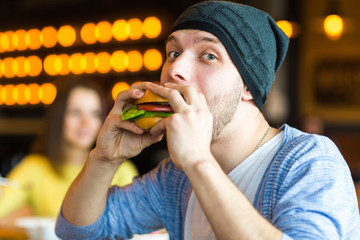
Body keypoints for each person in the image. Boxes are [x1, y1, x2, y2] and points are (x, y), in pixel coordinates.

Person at [55, 1, 360, 239]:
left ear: (247, 87)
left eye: (208, 55)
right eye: (173, 53)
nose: (175, 70)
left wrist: (199, 162)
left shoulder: (310, 161)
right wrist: (103, 159)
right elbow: (77, 231)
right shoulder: (175, 178)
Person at [0, 79, 138, 225]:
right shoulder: (34, 168)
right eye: (75, 113)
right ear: (58, 117)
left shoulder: (122, 171)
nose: (86, 122)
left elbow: (138, 226)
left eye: (94, 114)